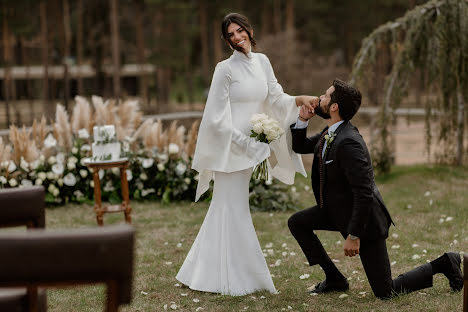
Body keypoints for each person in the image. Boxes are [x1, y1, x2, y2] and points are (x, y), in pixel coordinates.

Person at [176, 13, 314, 296]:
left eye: (240, 31)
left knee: (226, 208)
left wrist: (299, 100)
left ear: (250, 30)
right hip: (231, 149)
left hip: (253, 146)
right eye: (231, 35)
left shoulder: (263, 62)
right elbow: (215, 118)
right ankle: (239, 276)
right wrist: (245, 142)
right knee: (231, 208)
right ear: (226, 40)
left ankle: (199, 271)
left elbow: (275, 97)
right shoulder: (224, 69)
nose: (238, 38)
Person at [287, 78, 463, 299]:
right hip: (337, 212)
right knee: (297, 222)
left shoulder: (349, 142)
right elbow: (300, 146)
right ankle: (335, 278)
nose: (319, 97)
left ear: (334, 107)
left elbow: (364, 192)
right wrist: (302, 120)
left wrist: (353, 235)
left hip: (365, 221)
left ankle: (446, 262)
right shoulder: (330, 132)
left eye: (325, 95)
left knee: (385, 291)